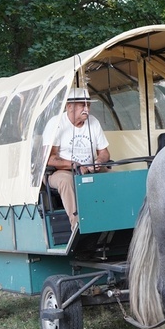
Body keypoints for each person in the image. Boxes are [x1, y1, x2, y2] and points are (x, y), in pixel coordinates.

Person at [45, 87, 110, 228]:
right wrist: (74, 164)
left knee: (116, 177)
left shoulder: (94, 122)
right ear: (69, 107)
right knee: (66, 182)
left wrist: (99, 161)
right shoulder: (56, 124)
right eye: (83, 105)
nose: (87, 109)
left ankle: (117, 221)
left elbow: (105, 152)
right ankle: (78, 226)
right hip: (62, 171)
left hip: (90, 168)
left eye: (89, 105)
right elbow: (50, 159)